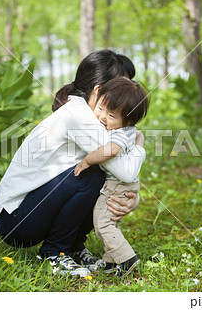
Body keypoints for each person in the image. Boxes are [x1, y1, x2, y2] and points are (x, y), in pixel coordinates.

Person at [0, 50, 145, 277]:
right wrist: (140, 144)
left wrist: (132, 198)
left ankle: (73, 247)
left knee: (97, 171)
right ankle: (55, 253)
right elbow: (125, 171)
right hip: (14, 219)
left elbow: (120, 172)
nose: (126, 92)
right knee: (92, 175)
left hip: (30, 209)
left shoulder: (92, 117)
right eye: (122, 83)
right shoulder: (79, 116)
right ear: (99, 91)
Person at [74, 77, 149, 277]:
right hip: (122, 185)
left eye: (111, 115)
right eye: (100, 109)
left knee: (103, 224)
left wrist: (87, 160)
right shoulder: (127, 130)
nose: (102, 118)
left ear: (128, 120)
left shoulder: (119, 134)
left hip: (116, 185)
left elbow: (111, 151)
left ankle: (126, 260)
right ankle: (109, 262)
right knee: (109, 222)